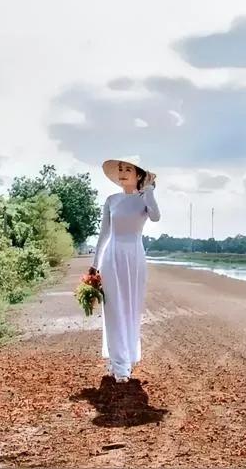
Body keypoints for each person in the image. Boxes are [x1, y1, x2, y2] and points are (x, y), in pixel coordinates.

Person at [89, 157, 160, 383]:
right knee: (113, 308)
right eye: (120, 169)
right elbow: (104, 235)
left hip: (135, 257)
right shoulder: (111, 200)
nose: (122, 172)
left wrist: (149, 190)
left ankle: (126, 359)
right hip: (112, 255)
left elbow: (156, 216)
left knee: (131, 307)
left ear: (138, 174)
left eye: (127, 169)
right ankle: (119, 364)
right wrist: (94, 264)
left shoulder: (144, 199)